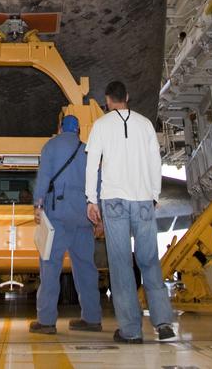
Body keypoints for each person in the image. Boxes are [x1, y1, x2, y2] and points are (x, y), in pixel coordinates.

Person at [84, 81, 176, 343]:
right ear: (127, 96)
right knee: (149, 261)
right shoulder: (145, 124)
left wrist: (91, 200)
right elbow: (154, 161)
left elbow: (93, 165)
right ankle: (164, 324)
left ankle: (131, 330)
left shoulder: (101, 125)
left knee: (121, 264)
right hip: (143, 198)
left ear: (107, 100)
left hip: (113, 199)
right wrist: (154, 194)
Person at [29, 115, 102, 335]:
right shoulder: (87, 149)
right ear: (79, 130)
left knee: (50, 266)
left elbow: (43, 178)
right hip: (83, 217)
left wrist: (37, 206)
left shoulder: (51, 146)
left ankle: (47, 321)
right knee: (86, 268)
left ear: (59, 127)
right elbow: (97, 183)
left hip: (57, 216)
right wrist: (100, 218)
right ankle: (91, 318)